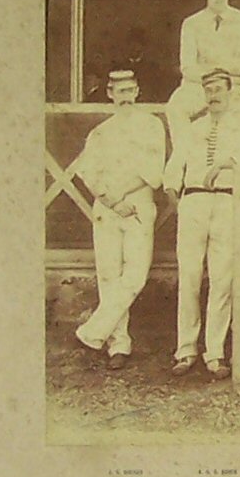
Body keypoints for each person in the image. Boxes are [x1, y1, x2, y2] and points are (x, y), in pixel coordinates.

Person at [163, 68, 240, 380]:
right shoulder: (193, 129)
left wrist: (226, 162)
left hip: (226, 202)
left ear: (230, 94)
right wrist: (173, 195)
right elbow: (175, 166)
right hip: (194, 201)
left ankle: (215, 352)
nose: (214, 96)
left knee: (222, 278)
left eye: (219, 90)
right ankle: (185, 349)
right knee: (190, 275)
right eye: (209, 91)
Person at [72, 69, 167, 368]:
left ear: (137, 91)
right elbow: (88, 172)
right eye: (118, 91)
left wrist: (123, 197)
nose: (125, 97)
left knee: (135, 274)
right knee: (109, 274)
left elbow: (153, 169)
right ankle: (118, 344)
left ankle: (93, 330)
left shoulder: (151, 126)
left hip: (137, 205)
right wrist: (112, 200)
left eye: (130, 90)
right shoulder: (100, 132)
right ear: (110, 94)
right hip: (107, 207)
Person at [166, 0, 240, 149]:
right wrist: (216, 74)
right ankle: (185, 159)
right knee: (175, 107)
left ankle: (236, 166)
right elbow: (188, 68)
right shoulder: (192, 23)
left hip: (231, 87)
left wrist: (213, 71)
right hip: (198, 87)